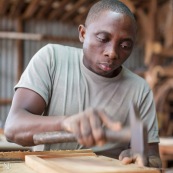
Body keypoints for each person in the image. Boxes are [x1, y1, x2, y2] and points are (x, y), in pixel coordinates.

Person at [4, 0, 161, 168]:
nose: (112, 52)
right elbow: (13, 128)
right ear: (83, 34)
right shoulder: (52, 59)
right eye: (103, 39)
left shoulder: (139, 89)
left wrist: (142, 158)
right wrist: (65, 123)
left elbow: (153, 158)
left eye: (125, 45)